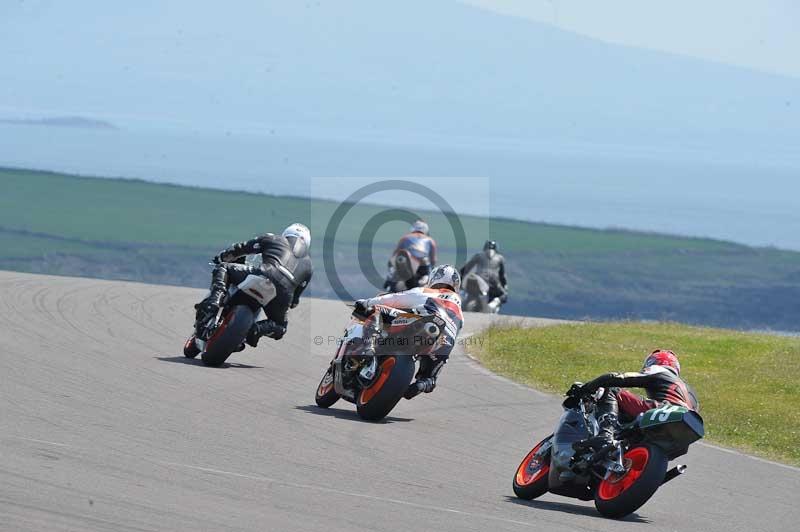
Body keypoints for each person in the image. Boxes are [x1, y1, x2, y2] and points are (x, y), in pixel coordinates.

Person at [186, 223, 313, 354]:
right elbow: (294, 301)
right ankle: (254, 330)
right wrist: (288, 302)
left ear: (286, 234)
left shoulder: (274, 238)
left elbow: (241, 248)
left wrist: (222, 257)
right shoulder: (309, 266)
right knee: (280, 327)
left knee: (223, 267)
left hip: (265, 273)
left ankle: (213, 303)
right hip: (283, 293)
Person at [356, 264, 463, 399]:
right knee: (430, 378)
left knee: (376, 310)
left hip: (422, 322)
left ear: (434, 278)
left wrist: (367, 303)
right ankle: (423, 384)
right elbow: (455, 334)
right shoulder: (459, 310)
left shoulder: (427, 291)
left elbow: (394, 298)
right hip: (445, 341)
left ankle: (368, 349)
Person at [569, 350, 699, 447]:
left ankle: (606, 433)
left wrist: (586, 388)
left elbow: (618, 378)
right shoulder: (690, 391)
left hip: (664, 409)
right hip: (688, 430)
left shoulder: (658, 370)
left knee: (612, 389)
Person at [384, 220, 438, 291]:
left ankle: (389, 284)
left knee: (393, 271)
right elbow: (433, 260)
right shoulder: (430, 240)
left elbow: (394, 256)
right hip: (422, 264)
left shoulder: (405, 238)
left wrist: (390, 267)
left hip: (405, 260)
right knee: (428, 276)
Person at [459, 240, 508, 305]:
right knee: (504, 295)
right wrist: (505, 285)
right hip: (493, 283)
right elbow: (502, 275)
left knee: (464, 290)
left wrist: (460, 279)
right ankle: (494, 303)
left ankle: (461, 301)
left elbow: (466, 268)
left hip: (478, 280)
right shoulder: (500, 258)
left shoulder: (478, 255)